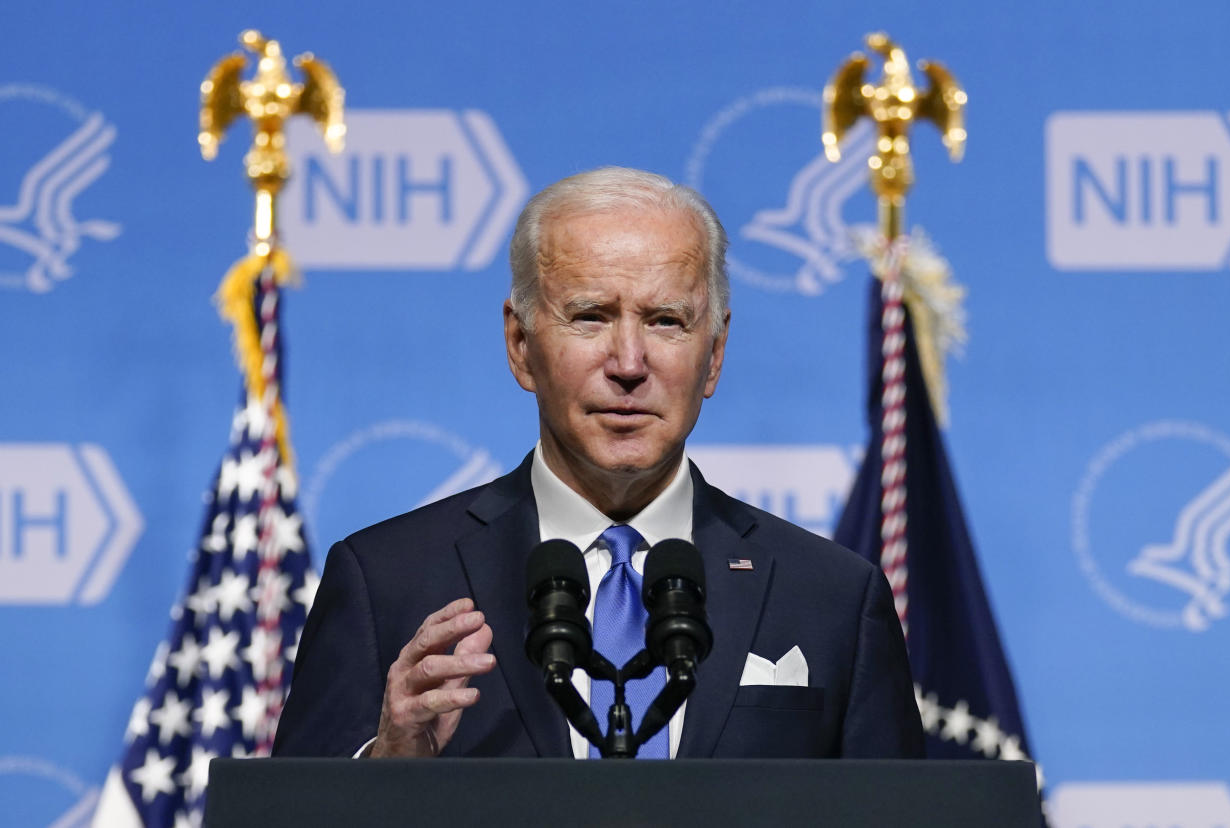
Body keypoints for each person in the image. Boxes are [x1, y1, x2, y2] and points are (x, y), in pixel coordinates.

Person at [272, 167, 923, 760]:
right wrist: (384, 770)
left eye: (666, 321)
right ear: (520, 345)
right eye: (590, 316)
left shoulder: (833, 597)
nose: (630, 364)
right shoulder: (386, 581)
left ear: (715, 356)